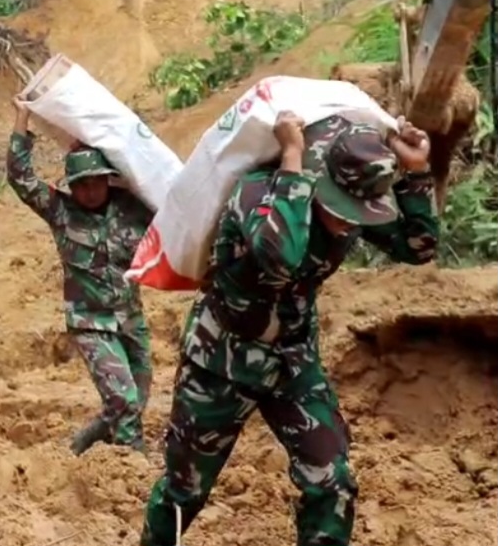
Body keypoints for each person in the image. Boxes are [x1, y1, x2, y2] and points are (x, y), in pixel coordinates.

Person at [140, 112, 439, 546]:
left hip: (292, 362)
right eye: (342, 210)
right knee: (184, 493)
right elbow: (280, 258)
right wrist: (294, 162)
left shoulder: (353, 206)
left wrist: (415, 172)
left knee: (332, 482)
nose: (350, 223)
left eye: (360, 213)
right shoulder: (257, 192)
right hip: (221, 363)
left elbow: (419, 247)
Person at [7, 96, 156, 455]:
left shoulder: (134, 207)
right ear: (71, 185)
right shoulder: (61, 211)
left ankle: (84, 442)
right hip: (89, 321)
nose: (89, 191)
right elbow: (21, 178)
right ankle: (130, 465)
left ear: (108, 180)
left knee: (137, 396)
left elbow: (169, 196)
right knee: (123, 399)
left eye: (95, 182)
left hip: (129, 317)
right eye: (81, 184)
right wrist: (22, 121)